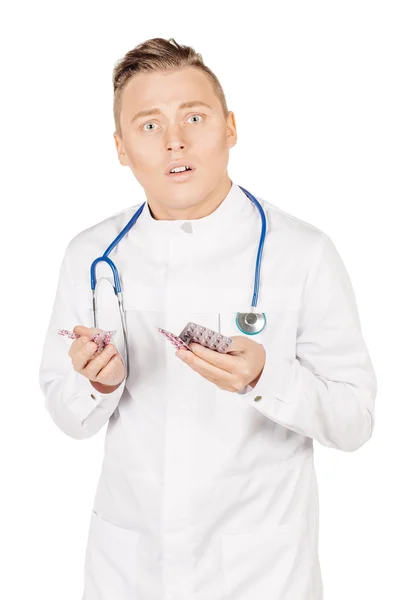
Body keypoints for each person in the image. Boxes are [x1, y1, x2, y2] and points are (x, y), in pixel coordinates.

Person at [38, 37, 377, 600]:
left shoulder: (304, 252)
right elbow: (67, 416)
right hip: (130, 568)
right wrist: (97, 383)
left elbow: (355, 420)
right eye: (149, 125)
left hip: (263, 571)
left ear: (230, 128)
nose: (175, 141)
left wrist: (267, 378)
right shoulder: (92, 256)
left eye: (194, 116)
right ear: (121, 148)